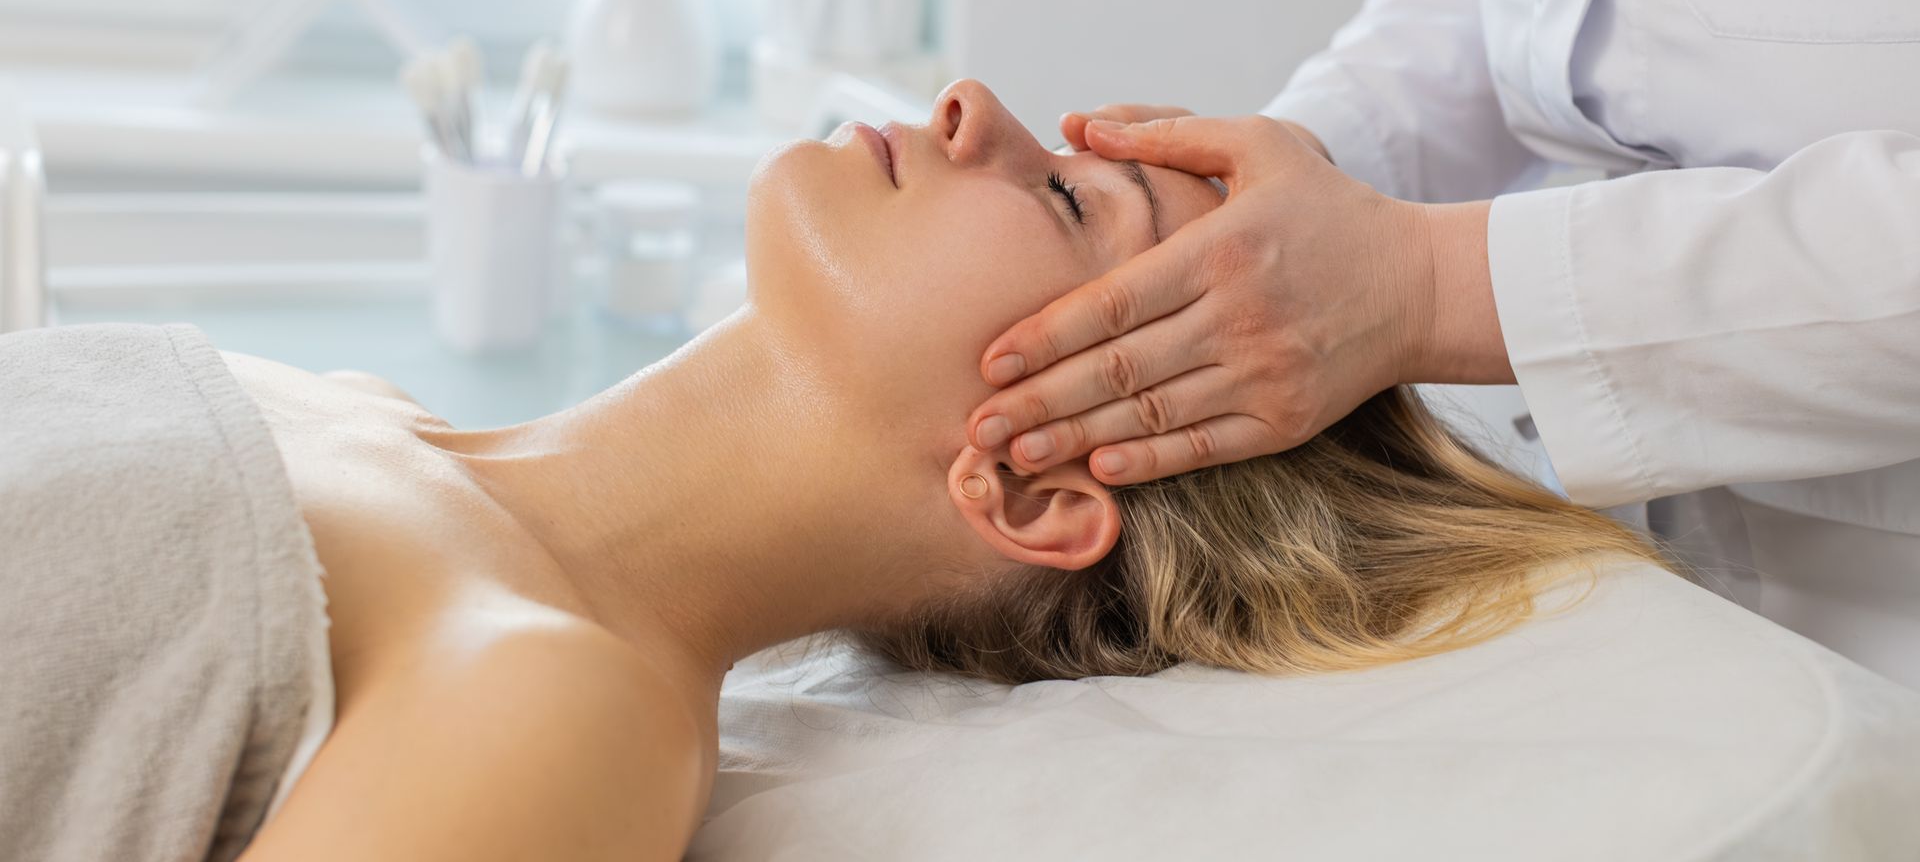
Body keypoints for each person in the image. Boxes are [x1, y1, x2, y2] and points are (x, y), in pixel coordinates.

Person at [0, 81, 1660, 862]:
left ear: (1031, 489)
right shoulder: (360, 409)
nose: (978, 105)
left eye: (1072, 203)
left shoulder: (549, 705)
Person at [963, 0, 1920, 690]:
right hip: (1617, 559)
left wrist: (1420, 286)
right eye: (1070, 194)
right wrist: (1270, 192)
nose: (967, 108)